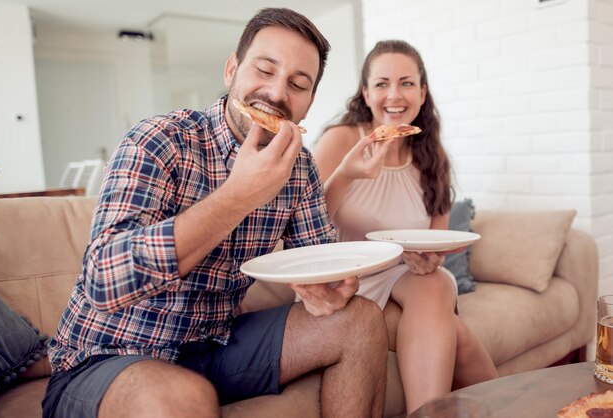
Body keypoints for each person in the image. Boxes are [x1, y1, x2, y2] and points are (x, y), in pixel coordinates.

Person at [41, 8, 389, 418]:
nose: (277, 94)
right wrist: (238, 195)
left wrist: (328, 289)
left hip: (216, 347)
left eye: (298, 84)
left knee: (361, 319)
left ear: (309, 104)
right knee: (178, 398)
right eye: (264, 70)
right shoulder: (158, 140)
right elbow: (104, 280)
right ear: (231, 69)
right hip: (106, 357)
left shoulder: (299, 167)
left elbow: (319, 260)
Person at [311, 39, 498, 413]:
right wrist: (347, 176)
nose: (394, 95)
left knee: (434, 282)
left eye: (407, 83)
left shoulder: (430, 155)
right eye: (381, 83)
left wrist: (432, 259)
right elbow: (304, 222)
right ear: (365, 93)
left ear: (422, 92)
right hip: (349, 281)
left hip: (405, 278)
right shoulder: (343, 140)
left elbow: (436, 242)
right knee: (456, 333)